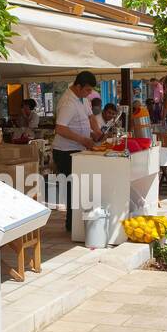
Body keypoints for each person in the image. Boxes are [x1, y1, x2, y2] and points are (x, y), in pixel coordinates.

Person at [53, 71, 102, 232]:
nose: (90, 93)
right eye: (87, 90)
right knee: (72, 189)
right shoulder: (68, 102)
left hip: (78, 149)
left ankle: (76, 221)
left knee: (79, 187)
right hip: (65, 151)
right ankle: (71, 224)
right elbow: (60, 128)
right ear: (78, 86)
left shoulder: (83, 99)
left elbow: (90, 118)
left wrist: (96, 132)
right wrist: (83, 139)